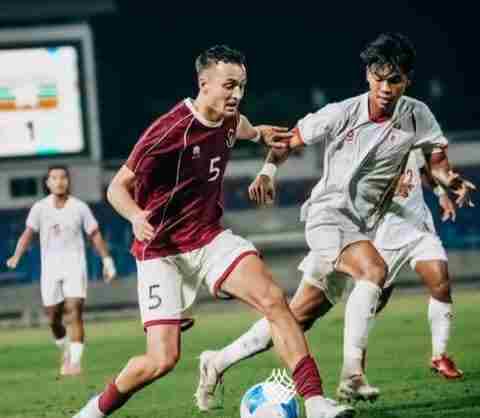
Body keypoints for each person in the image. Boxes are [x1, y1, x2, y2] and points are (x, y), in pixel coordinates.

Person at [195, 32, 476, 408]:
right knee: (374, 271)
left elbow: (437, 162)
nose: (385, 88)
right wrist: (267, 172)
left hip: (360, 229)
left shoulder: (417, 115)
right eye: (378, 78)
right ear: (368, 75)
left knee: (296, 317)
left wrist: (452, 182)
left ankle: (216, 361)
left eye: (394, 80)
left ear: (407, 80)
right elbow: (287, 140)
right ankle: (352, 377)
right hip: (327, 215)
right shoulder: (341, 113)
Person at [72, 45, 354, 418]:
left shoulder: (230, 119)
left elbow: (244, 128)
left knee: (273, 300)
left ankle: (315, 402)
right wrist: (136, 215)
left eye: (242, 86)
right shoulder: (169, 130)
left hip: (208, 238)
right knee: (161, 360)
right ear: (204, 84)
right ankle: (92, 412)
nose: (237, 94)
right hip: (161, 251)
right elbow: (116, 187)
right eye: (229, 85)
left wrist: (261, 135)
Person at [6, 165, 117, 376]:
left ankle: (74, 363)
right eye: (54, 178)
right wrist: (17, 255)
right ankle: (66, 350)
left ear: (68, 181)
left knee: (74, 310)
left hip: (75, 265)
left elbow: (94, 234)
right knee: (53, 318)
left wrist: (107, 260)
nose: (59, 181)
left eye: (63, 177)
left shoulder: (80, 207)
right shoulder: (40, 208)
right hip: (50, 268)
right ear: (48, 183)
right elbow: (28, 233)